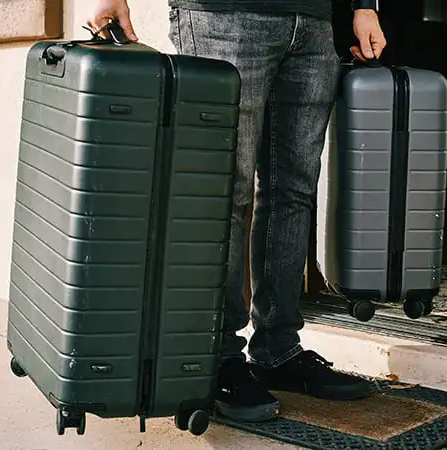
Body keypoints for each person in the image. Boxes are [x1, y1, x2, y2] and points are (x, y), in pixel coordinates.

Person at [88, 0, 387, 423]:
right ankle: (216, 358)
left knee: (294, 191)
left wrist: (364, 6)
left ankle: (278, 349)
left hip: (313, 22)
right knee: (226, 193)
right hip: (222, 17)